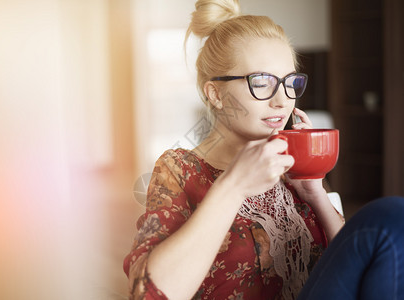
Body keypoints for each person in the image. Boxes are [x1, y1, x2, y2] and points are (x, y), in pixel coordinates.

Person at [124, 1, 404, 299]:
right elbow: (146, 294)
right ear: (215, 93)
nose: (283, 101)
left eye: (289, 83)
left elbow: (352, 262)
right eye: (262, 82)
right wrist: (233, 186)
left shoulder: (288, 161)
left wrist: (314, 192)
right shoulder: (179, 169)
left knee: (393, 220)